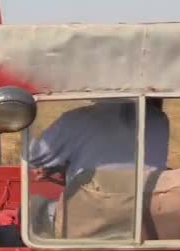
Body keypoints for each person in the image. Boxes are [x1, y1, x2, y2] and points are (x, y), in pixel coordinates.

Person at [27, 99, 171, 238]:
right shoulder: (159, 119)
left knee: (33, 207)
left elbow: (33, 156)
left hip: (87, 222)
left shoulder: (77, 119)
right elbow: (129, 161)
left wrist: (25, 123)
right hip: (143, 221)